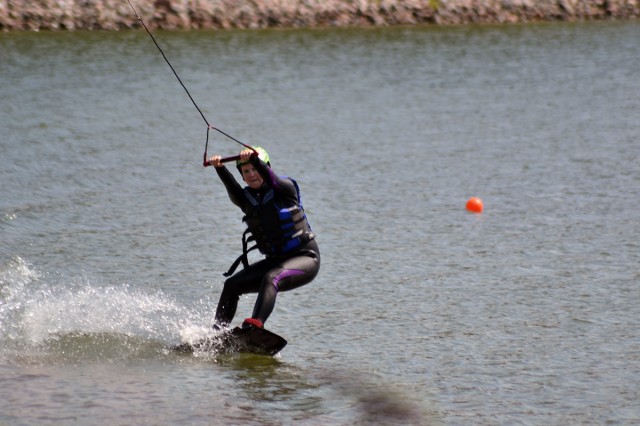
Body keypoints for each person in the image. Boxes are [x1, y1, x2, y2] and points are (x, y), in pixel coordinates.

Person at [208, 146, 320, 331]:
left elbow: (272, 180)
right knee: (231, 285)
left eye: (255, 168)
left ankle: (255, 327)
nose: (251, 174)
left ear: (266, 168)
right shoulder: (245, 200)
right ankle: (216, 334)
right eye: (246, 171)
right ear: (242, 175)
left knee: (271, 278)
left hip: (305, 258)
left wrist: (254, 160)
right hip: (275, 261)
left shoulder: (286, 190)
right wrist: (219, 167)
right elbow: (232, 187)